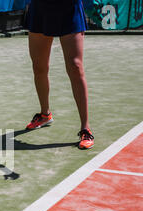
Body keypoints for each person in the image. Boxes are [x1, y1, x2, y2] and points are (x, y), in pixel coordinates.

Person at [24, 0, 94, 149]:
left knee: (75, 67)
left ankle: (85, 128)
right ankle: (45, 115)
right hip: (40, 9)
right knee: (39, 67)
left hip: (69, 8)